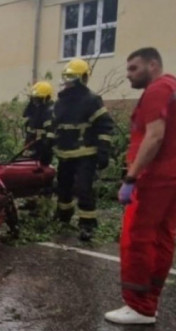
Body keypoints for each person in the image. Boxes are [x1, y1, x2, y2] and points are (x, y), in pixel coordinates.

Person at [104, 47, 176, 325]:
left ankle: (139, 306)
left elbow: (154, 137)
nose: (129, 74)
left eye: (134, 68)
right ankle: (150, 298)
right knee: (163, 237)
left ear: (152, 64)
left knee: (137, 238)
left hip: (155, 179)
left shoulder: (157, 90)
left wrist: (131, 178)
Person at [47, 58, 114, 241]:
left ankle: (87, 225)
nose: (68, 83)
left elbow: (105, 125)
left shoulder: (91, 100)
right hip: (64, 154)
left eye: (72, 78)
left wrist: (103, 152)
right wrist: (48, 144)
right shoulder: (60, 103)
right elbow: (54, 127)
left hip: (86, 154)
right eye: (67, 78)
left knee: (83, 188)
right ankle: (63, 217)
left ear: (82, 78)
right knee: (63, 188)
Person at [22, 81, 54, 166]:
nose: (35, 101)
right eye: (34, 98)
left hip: (41, 156)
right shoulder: (35, 112)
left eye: (38, 98)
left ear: (46, 98)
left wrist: (43, 154)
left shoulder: (48, 112)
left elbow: (50, 137)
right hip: (29, 153)